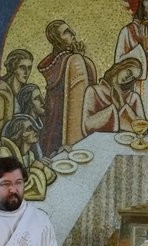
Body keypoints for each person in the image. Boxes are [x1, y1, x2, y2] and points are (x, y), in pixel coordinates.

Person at [38, 19, 97, 157]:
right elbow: (85, 90)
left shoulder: (59, 60)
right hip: (60, 116)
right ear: (57, 40)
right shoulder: (70, 59)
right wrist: (80, 58)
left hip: (55, 115)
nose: (73, 34)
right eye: (66, 32)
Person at [0, 49, 34, 163]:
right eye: (22, 67)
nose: (27, 72)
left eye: (29, 68)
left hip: (20, 156)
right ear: (13, 68)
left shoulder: (23, 94)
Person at [0, 114, 57, 201]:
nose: (35, 131)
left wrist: (41, 168)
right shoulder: (4, 154)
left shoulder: (29, 156)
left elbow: (49, 178)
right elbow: (12, 188)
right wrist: (35, 170)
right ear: (18, 134)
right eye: (29, 129)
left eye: (33, 127)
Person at [82, 57, 146, 135]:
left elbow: (143, 129)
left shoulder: (133, 97)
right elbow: (87, 126)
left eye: (132, 78)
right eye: (129, 72)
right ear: (121, 67)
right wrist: (112, 109)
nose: (128, 78)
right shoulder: (94, 91)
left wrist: (122, 104)